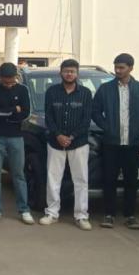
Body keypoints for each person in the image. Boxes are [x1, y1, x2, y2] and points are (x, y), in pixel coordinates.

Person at [92, 53, 139, 230]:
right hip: (111, 142)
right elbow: (95, 111)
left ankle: (130, 215)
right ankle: (109, 214)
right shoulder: (105, 89)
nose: (118, 70)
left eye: (122, 67)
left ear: (131, 68)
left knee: (131, 180)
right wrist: (107, 126)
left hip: (132, 143)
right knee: (109, 179)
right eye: (116, 67)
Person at [38, 59, 93, 230]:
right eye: (66, 71)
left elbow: (86, 119)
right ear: (60, 73)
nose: (69, 74)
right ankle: (52, 213)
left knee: (81, 180)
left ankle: (81, 215)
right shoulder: (52, 92)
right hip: (55, 143)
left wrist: (72, 136)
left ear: (77, 74)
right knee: (53, 179)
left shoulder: (85, 93)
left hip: (79, 143)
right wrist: (58, 135)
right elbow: (49, 117)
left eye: (72, 71)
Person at [0, 62, 34, 225]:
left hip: (16, 137)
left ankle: (24, 209)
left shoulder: (23, 89)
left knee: (19, 174)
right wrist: (14, 110)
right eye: (5, 81)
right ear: (0, 77)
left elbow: (26, 113)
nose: (8, 83)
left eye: (11, 80)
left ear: (15, 77)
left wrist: (5, 111)